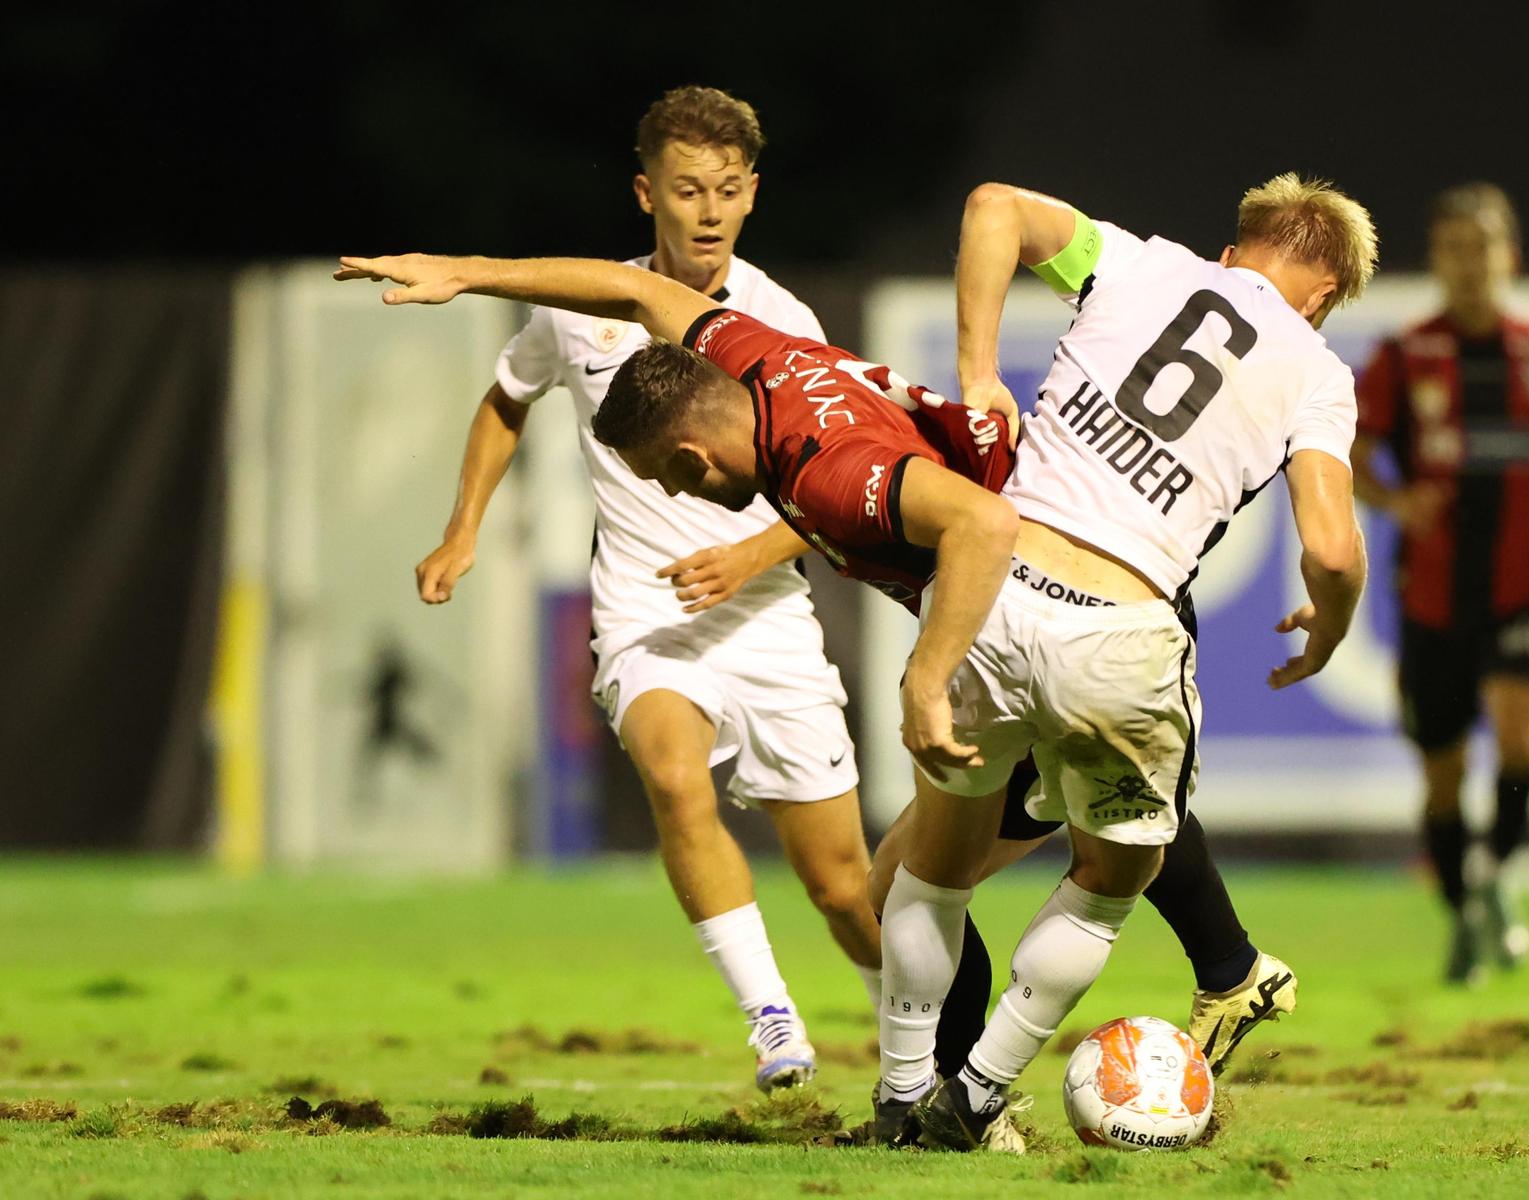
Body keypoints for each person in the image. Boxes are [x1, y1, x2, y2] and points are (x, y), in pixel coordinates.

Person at [335, 230, 1299, 1148]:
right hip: (1054, 607)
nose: (673, 498)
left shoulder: (829, 472)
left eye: (668, 481)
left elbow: (980, 525)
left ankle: (980, 1093)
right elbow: (632, 289)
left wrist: (927, 678)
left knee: (1049, 868)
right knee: (909, 881)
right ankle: (922, 1093)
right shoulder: (754, 357)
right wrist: (464, 271)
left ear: (694, 456)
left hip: (1048, 612)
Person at [878, 175, 1375, 1151]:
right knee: (1112, 875)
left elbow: (992, 207)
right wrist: (1332, 621)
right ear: (1322, 298)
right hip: (1121, 627)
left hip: (996, 588)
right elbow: (1334, 548)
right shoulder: (1316, 371)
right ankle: (976, 1094)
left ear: (1237, 250)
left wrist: (980, 373)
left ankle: (901, 1097)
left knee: (927, 872)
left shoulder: (1137, 261)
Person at [402, 85, 882, 1092]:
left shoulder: (781, 323)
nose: (708, 212)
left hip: (765, 618)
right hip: (644, 615)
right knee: (672, 775)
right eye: (686, 190)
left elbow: (841, 488)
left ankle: (924, 1034)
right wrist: (461, 530)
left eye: (728, 191)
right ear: (645, 194)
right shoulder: (580, 307)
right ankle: (775, 1024)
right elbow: (508, 397)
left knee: (843, 888)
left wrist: (750, 557)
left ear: (752, 197)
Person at [1351, 182, 1529, 985]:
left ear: (1511, 256)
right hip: (1431, 595)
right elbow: (1351, 449)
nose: (1470, 266)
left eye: (1484, 249)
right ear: (1436, 260)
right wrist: (1397, 499)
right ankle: (1469, 904)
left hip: (1522, 586)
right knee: (1441, 774)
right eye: (1453, 250)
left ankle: (1494, 873)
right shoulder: (1406, 355)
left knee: (1516, 725)